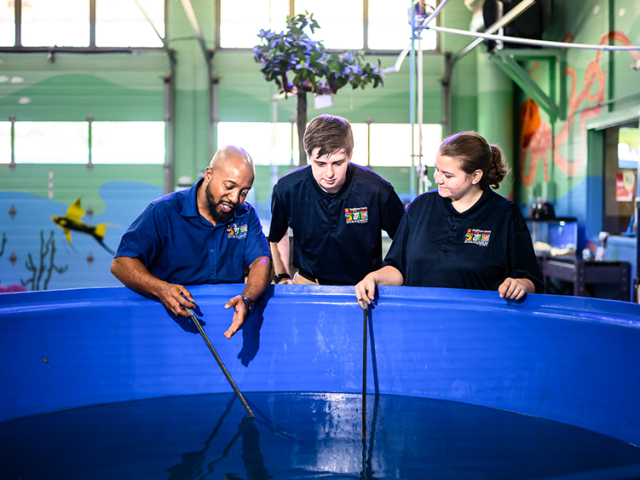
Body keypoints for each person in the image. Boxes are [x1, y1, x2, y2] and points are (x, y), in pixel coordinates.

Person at [355, 131, 544, 306]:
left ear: (475, 176)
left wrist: (520, 285)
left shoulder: (505, 215)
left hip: (478, 329)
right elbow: (397, 268)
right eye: (437, 170)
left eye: (448, 175)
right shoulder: (420, 207)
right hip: (418, 323)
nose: (438, 179)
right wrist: (374, 278)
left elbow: (531, 281)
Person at [111, 146, 272, 339]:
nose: (235, 198)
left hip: (227, 327)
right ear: (209, 174)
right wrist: (161, 288)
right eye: (229, 186)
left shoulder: (245, 216)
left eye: (244, 192)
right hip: (166, 326)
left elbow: (260, 262)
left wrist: (247, 300)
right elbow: (121, 263)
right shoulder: (163, 212)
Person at [268, 114, 405, 286]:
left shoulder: (377, 191)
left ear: (350, 155)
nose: (329, 174)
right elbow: (277, 235)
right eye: (320, 164)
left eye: (338, 163)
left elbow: (405, 241)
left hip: (362, 287)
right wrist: (282, 276)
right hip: (308, 284)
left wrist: (385, 276)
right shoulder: (287, 190)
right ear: (309, 156)